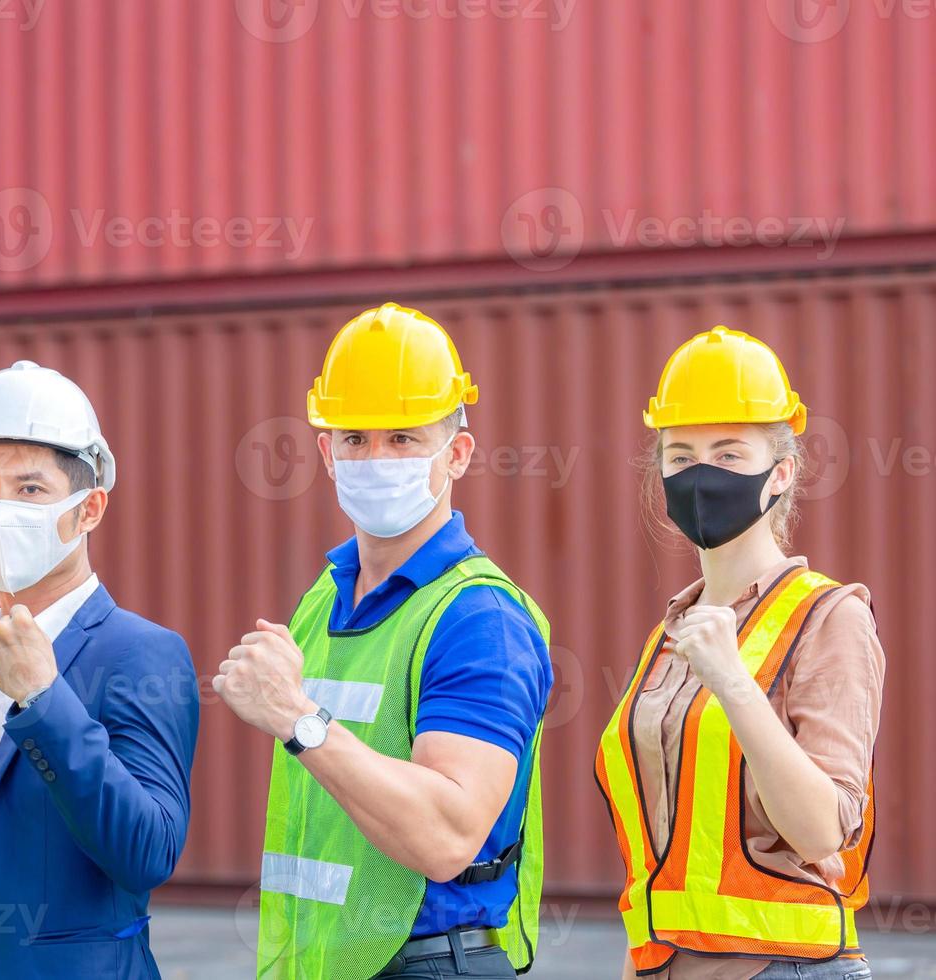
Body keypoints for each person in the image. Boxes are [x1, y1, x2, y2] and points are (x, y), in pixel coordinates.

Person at [215, 303, 553, 979]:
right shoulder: (327, 595)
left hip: (429, 961)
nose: (375, 459)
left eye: (402, 439)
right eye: (355, 439)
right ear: (325, 453)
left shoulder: (478, 618)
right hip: (321, 963)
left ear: (456, 452)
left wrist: (295, 717)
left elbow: (449, 835)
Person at [597, 326, 882, 979]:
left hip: (787, 970)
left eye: (728, 454)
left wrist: (731, 681)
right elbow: (656, 855)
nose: (700, 473)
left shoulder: (828, 617)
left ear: (779, 472)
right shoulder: (670, 632)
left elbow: (821, 832)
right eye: (680, 455)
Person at [0, 360, 200, 979]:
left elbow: (148, 852)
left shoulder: (139, 654)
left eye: (30, 490)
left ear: (90, 509)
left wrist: (45, 699)